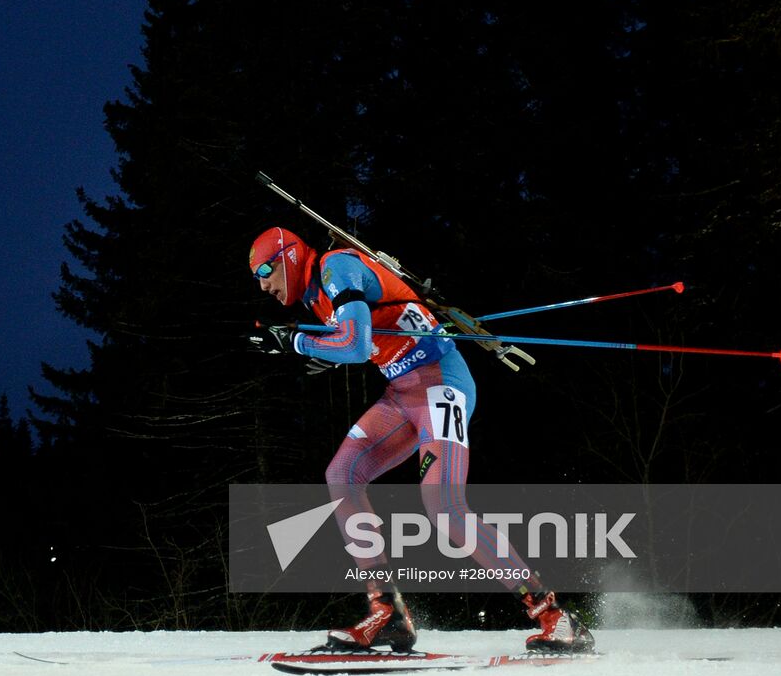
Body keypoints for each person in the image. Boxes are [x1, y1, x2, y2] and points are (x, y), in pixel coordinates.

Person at [245, 226, 594, 654]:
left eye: (265, 268)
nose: (262, 282)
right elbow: (361, 339)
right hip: (401, 392)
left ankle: (555, 617)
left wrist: (296, 341)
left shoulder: (335, 268)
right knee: (343, 474)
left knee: (444, 507)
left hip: (441, 384)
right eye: (256, 276)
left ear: (290, 256)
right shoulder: (317, 295)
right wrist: (321, 350)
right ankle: (387, 615)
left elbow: (355, 345)